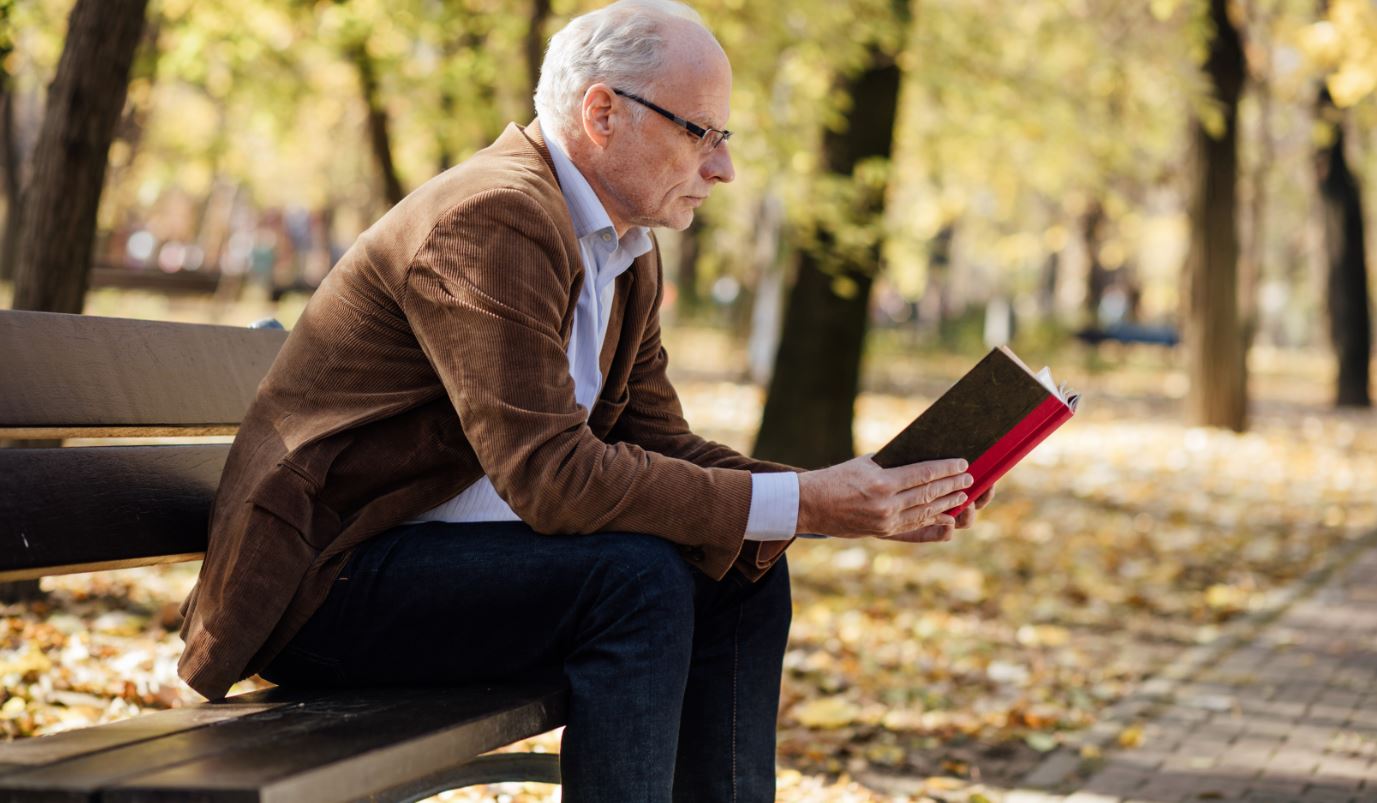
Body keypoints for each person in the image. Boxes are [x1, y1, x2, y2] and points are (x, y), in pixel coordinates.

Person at [176, 1, 992, 800]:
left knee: (743, 566)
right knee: (636, 578)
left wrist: (859, 492)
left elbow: (662, 442)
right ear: (602, 111)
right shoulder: (490, 217)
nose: (722, 168)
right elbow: (551, 477)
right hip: (330, 586)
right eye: (700, 133)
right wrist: (807, 503)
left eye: (725, 138)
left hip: (458, 572)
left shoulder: (626, 250)